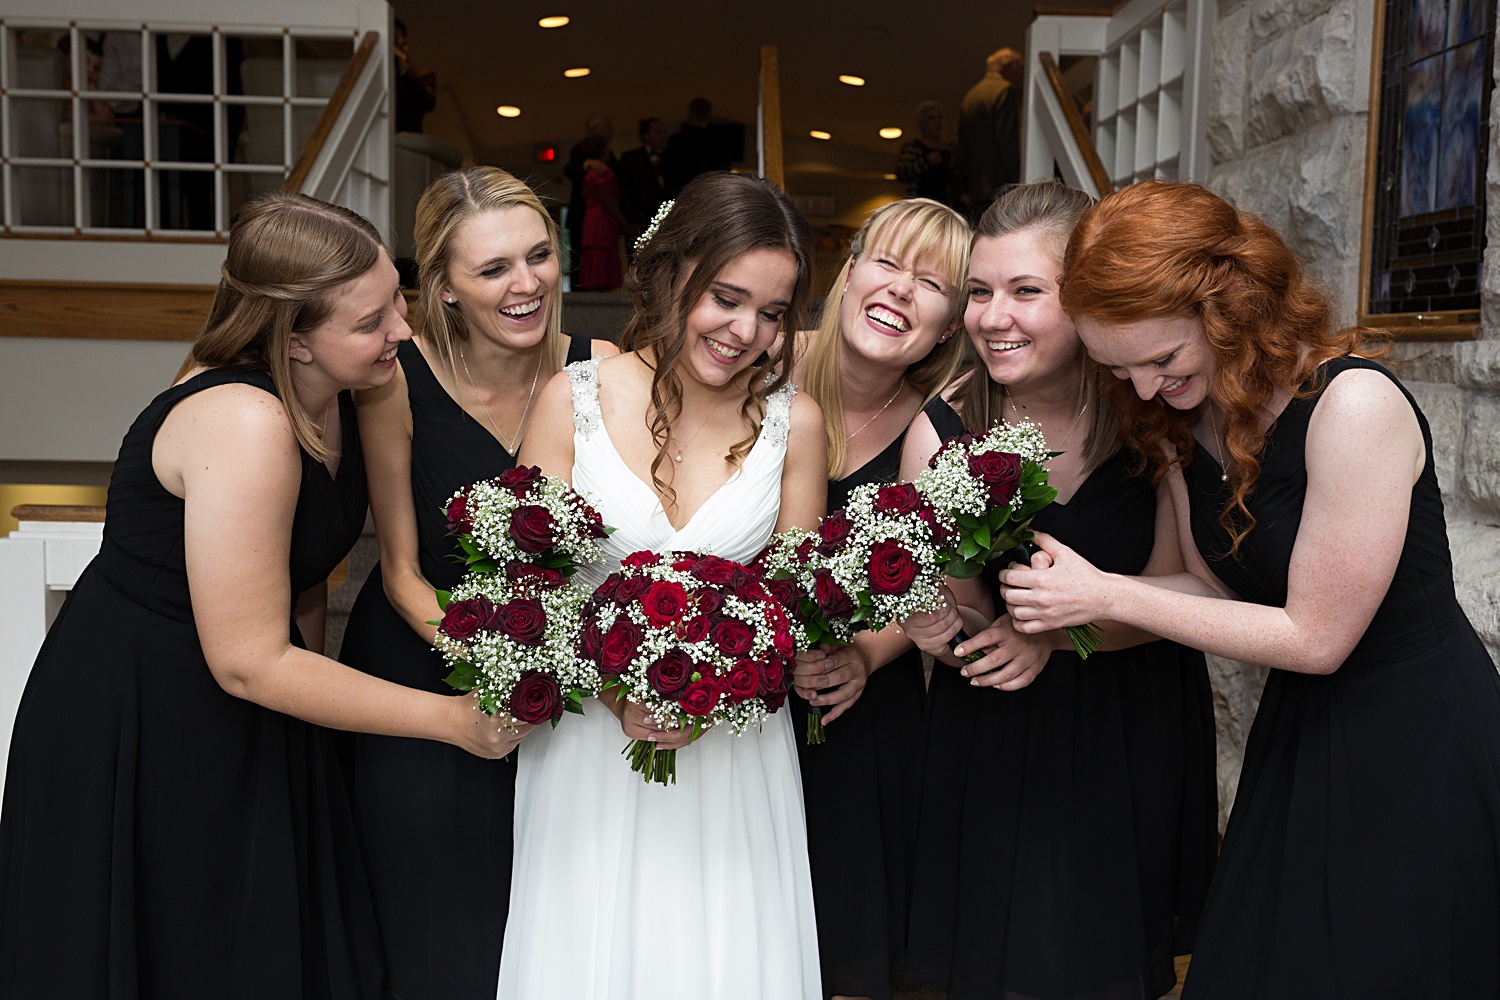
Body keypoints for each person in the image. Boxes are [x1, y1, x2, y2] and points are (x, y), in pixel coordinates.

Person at [0, 192, 517, 998]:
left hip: (263, 692)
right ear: (294, 340)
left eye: (399, 300)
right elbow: (245, 659)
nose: (403, 332)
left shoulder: (350, 388)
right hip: (151, 708)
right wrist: (452, 721)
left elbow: (296, 585)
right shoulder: (243, 421)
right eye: (372, 320)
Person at [999, 180, 1500, 998]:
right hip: (1303, 734)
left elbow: (1316, 637)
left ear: (1230, 309)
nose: (1148, 389)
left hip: (1419, 745)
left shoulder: (1355, 406)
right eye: (1120, 369)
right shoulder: (1184, 420)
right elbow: (1210, 589)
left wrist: (1110, 596)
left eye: (1164, 359)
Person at [498, 172, 827, 998]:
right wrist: (616, 696)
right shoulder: (569, 400)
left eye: (774, 312)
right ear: (671, 272)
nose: (746, 331)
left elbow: (792, 606)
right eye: (727, 297)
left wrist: (721, 682)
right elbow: (529, 598)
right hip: (589, 752)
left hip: (732, 758)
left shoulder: (799, 424)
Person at [899, 181, 1218, 1000]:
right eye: (979, 292)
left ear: (1086, 299)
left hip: (1130, 722)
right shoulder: (943, 429)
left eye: (1025, 291)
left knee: (1114, 963)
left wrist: (1056, 629)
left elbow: (1195, 591)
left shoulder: (1153, 413)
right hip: (1000, 732)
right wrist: (942, 616)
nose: (992, 316)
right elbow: (964, 602)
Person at [338, 167, 617, 1000]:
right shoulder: (396, 380)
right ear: (445, 288)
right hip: (425, 670)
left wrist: (559, 672)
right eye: (493, 269)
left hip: (567, 691)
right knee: (437, 930)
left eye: (539, 255)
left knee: (553, 925)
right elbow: (399, 574)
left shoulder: (600, 369)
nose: (526, 283)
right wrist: (504, 667)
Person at [788, 197, 971, 1000]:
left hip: (864, 707)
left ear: (948, 325)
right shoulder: (759, 361)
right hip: (730, 691)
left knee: (851, 947)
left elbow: (940, 583)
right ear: (849, 270)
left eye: (931, 284)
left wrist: (867, 652)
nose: (901, 290)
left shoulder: (938, 427)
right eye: (888, 263)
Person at [956, 47, 1023, 221]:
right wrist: (1020, 183)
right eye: (1020, 68)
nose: (1022, 75)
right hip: (1001, 187)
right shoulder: (1005, 90)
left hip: (976, 187)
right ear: (1009, 66)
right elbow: (1007, 143)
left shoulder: (970, 96)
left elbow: (961, 148)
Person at [564, 113, 616, 278]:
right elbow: (570, 169)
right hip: (584, 214)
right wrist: (587, 164)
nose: (611, 130)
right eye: (607, 126)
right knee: (583, 256)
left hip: (601, 215)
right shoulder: (581, 151)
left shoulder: (610, 154)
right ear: (594, 129)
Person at [575, 136, 627, 291]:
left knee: (593, 253)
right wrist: (622, 220)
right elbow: (610, 201)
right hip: (603, 217)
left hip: (590, 216)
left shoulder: (589, 173)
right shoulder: (606, 173)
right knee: (604, 251)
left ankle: (593, 285)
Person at [617, 116, 670, 249]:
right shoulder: (631, 159)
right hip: (641, 220)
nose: (663, 135)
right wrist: (632, 221)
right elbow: (626, 192)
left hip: (669, 221)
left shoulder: (673, 155)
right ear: (646, 136)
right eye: (658, 131)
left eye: (663, 131)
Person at [663, 97, 729, 196]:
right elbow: (724, 171)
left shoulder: (676, 140)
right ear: (708, 116)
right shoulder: (717, 142)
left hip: (680, 194)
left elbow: (666, 169)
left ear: (690, 115)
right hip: (707, 194)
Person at [894, 102, 955, 207]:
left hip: (947, 206)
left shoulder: (950, 149)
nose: (938, 121)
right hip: (921, 205)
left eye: (940, 117)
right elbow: (902, 174)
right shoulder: (912, 147)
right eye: (932, 118)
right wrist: (926, 162)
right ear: (922, 123)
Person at [394, 18, 437, 134]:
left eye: (396, 39)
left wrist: (405, 72)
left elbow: (428, 103)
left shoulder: (421, 74)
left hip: (408, 136)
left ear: (405, 42)